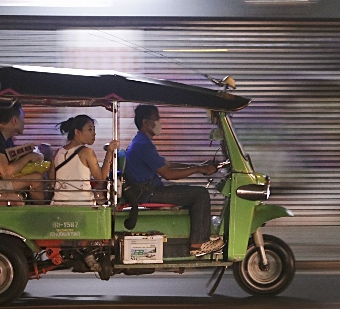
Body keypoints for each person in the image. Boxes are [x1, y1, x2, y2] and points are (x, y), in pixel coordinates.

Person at [124, 104, 224, 257]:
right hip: (150, 193)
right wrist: (198, 170)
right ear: (146, 122)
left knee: (193, 192)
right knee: (200, 194)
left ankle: (197, 236)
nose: (160, 122)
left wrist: (198, 166)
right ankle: (199, 243)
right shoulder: (143, 145)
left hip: (149, 189)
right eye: (156, 118)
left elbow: (166, 164)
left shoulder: (141, 141)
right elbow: (168, 174)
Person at [50, 114, 119, 205]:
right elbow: (101, 178)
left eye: (94, 129)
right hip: (81, 204)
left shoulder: (58, 152)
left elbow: (52, 180)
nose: (94, 133)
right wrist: (109, 152)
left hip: (58, 204)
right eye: (90, 129)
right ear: (77, 132)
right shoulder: (87, 152)